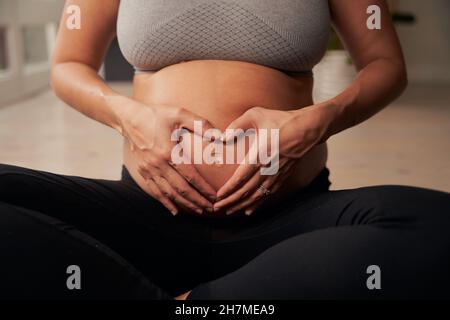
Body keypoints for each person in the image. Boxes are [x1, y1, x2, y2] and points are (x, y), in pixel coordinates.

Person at [1, 0, 449, 299]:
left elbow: (386, 64)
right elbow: (67, 63)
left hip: (289, 223)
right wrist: (128, 117)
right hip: (147, 214)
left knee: (436, 226)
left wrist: (318, 121)